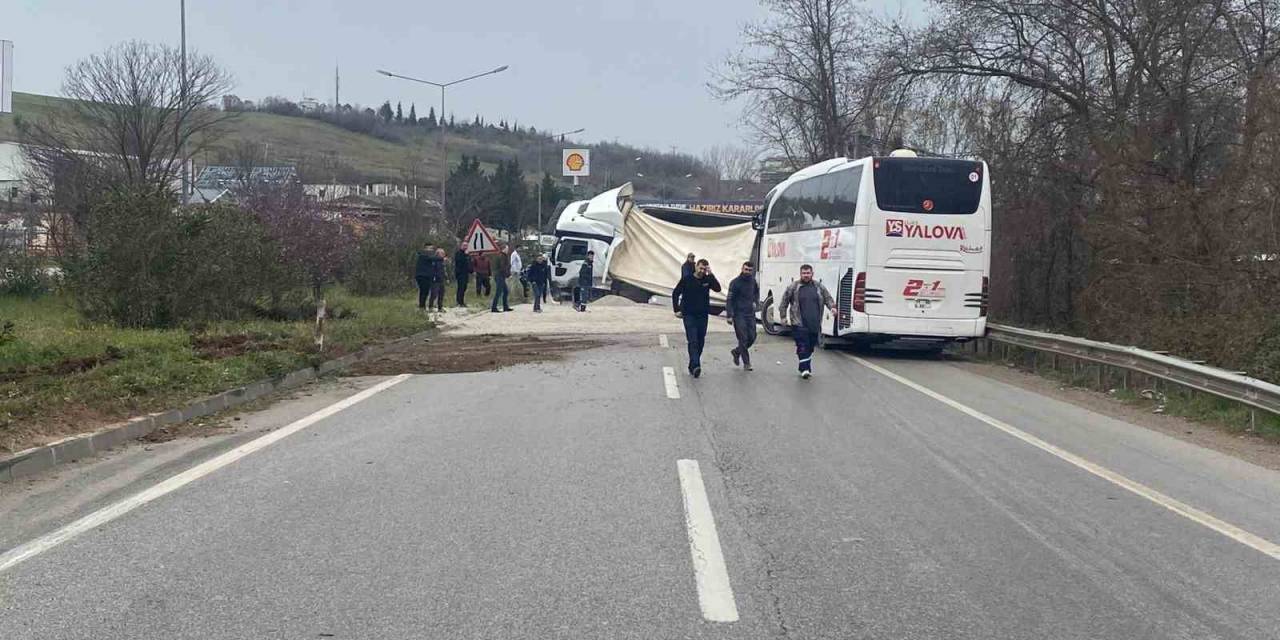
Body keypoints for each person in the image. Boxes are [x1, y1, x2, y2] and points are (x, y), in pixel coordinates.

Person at [779, 264, 837, 379]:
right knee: (802, 345)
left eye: (808, 273)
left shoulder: (819, 287)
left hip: (814, 323)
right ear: (800, 274)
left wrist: (832, 307)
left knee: (810, 347)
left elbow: (828, 298)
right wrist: (783, 317)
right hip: (799, 322)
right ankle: (805, 369)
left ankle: (803, 366)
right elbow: (784, 302)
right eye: (804, 273)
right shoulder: (794, 287)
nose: (806, 275)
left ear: (812, 274)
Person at [671, 258, 722, 378]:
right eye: (700, 268)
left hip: (703, 315)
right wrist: (677, 309)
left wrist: (711, 274)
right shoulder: (687, 279)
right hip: (688, 314)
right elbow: (675, 293)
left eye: (704, 269)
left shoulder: (708, 279)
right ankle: (696, 365)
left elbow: (718, 288)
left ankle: (692, 365)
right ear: (696, 267)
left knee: (700, 340)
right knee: (693, 340)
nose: (702, 270)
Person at [725, 261, 760, 371]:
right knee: (743, 338)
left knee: (752, 337)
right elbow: (729, 299)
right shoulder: (735, 283)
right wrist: (729, 315)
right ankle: (747, 363)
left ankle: (736, 352)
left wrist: (755, 302)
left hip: (750, 314)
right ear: (742, 269)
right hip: (739, 314)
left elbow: (756, 293)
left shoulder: (753, 282)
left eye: (750, 270)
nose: (748, 272)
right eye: (746, 269)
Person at [489, 242, 513, 313]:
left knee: (505, 291)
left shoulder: (503, 256)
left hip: (501, 275)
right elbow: (503, 267)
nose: (508, 250)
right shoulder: (502, 256)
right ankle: (494, 307)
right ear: (504, 249)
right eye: (507, 249)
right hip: (499, 275)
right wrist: (507, 274)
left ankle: (505, 306)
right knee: (499, 291)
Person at [414, 243, 437, 311]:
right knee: (423, 291)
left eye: (432, 249)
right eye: (429, 248)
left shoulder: (427, 256)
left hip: (426, 276)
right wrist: (442, 258)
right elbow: (433, 258)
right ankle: (422, 306)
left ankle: (422, 306)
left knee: (425, 292)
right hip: (422, 276)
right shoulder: (423, 255)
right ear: (425, 248)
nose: (431, 250)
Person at [427, 248, 447, 312]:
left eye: (444, 253)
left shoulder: (442, 262)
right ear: (438, 253)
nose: (443, 254)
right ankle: (430, 306)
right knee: (434, 293)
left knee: (441, 293)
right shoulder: (434, 261)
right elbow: (432, 270)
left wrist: (446, 278)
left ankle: (440, 307)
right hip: (435, 280)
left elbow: (444, 270)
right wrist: (434, 277)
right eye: (442, 253)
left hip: (441, 279)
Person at [453, 243, 472, 307]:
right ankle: (459, 302)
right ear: (461, 246)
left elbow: (469, 263)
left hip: (466, 273)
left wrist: (471, 270)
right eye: (464, 246)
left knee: (464, 288)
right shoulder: (459, 253)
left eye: (466, 246)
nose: (465, 247)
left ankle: (462, 301)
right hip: (460, 273)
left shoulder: (467, 254)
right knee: (460, 287)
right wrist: (465, 255)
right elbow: (459, 261)